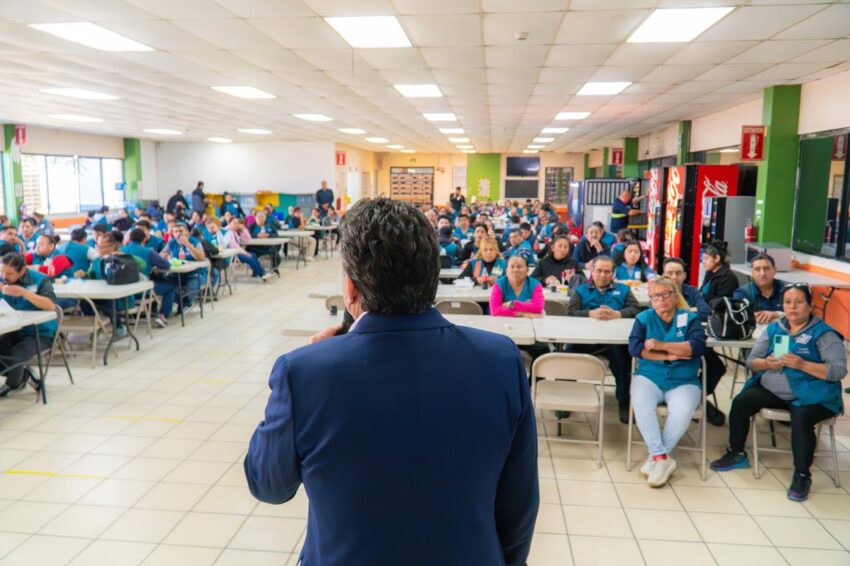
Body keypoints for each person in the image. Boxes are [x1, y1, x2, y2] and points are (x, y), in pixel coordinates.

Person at [245, 198, 538, 565]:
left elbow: (268, 485)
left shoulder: (304, 373)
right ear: (432, 277)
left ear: (350, 288)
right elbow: (519, 504)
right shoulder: (501, 360)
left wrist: (305, 372)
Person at [710, 284, 847, 502]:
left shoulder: (824, 334)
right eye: (788, 302)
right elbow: (751, 361)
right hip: (775, 390)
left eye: (799, 302)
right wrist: (766, 363)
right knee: (742, 401)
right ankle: (736, 453)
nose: (793, 307)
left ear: (810, 305)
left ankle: (802, 475)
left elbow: (838, 371)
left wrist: (803, 365)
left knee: (801, 417)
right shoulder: (775, 329)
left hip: (813, 394)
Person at [628, 277, 707, 487]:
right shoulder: (643, 318)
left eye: (665, 294)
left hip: (684, 380)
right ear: (650, 299)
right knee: (641, 402)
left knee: (682, 410)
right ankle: (661, 457)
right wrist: (669, 355)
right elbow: (635, 348)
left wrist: (661, 345)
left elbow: (696, 347)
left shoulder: (689, 318)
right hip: (649, 376)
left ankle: (656, 457)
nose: (661, 300)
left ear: (675, 295)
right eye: (655, 296)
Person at [568, 256, 640, 423]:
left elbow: (636, 309)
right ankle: (566, 398)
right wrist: (590, 313)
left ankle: (624, 400)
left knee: (623, 359)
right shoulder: (581, 290)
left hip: (614, 341)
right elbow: (571, 312)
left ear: (613, 273)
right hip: (585, 339)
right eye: (599, 270)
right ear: (592, 271)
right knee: (567, 354)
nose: (602, 275)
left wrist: (618, 314)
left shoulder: (623, 290)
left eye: (607, 271)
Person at [0, 252, 57, 397]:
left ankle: (14, 383)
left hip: (39, 332)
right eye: (2, 272)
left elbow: (51, 306)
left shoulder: (40, 280)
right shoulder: (2, 280)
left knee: (16, 355)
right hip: (12, 330)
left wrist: (24, 292)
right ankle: (24, 375)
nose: (4, 276)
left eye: (9, 274)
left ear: (22, 271)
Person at [122, 228, 174, 327]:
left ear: (129, 238)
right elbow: (166, 265)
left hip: (124, 292)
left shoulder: (121, 250)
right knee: (170, 286)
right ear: (144, 239)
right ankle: (163, 315)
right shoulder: (148, 251)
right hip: (142, 291)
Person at [733, 253, 783, 325]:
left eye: (766, 269)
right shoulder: (742, 293)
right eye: (757, 269)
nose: (762, 273)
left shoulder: (787, 290)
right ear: (752, 272)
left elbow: (799, 315)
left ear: (775, 270)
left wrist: (777, 314)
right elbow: (740, 319)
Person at [662, 258, 711, 322]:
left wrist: (674, 313)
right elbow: (659, 316)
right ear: (663, 276)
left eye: (678, 273)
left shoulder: (692, 291)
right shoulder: (657, 292)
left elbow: (706, 313)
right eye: (670, 273)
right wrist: (690, 310)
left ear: (684, 276)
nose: (674, 277)